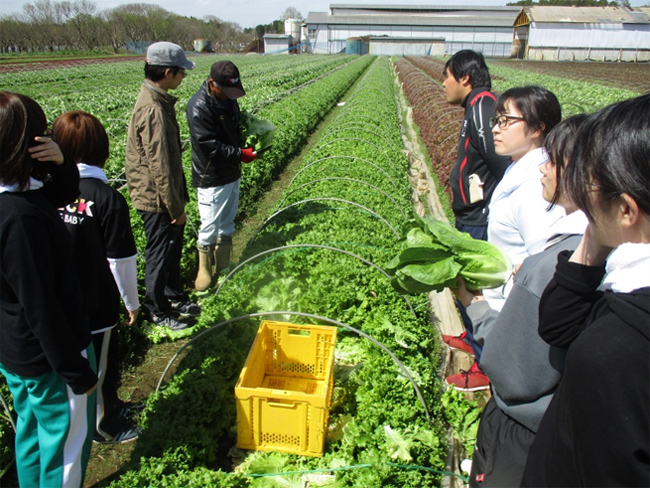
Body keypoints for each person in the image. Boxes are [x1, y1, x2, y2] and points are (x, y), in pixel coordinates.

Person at [451, 115, 588, 487]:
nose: (542, 168)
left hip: (523, 433)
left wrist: (473, 302)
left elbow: (510, 369)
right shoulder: (611, 260)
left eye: (554, 160)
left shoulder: (557, 267)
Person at [522, 94, 650, 487]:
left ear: (626, 210)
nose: (579, 191)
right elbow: (559, 325)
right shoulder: (623, 288)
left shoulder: (615, 350)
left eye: (589, 179)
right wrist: (596, 238)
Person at [0, 91, 98, 487]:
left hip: (18, 352)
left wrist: (63, 167)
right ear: (26, 145)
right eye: (40, 134)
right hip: (51, 358)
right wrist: (77, 372)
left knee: (33, 437)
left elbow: (59, 196)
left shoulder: (19, 195)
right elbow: (40, 305)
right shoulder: (18, 219)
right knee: (63, 451)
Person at [446, 86, 564, 391]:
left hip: (516, 315)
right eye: (496, 120)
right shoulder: (518, 168)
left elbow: (548, 261)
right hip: (502, 309)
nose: (495, 128)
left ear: (538, 128)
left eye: (505, 121)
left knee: (506, 385)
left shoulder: (534, 187)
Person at [53, 110, 141, 444]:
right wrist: (131, 303)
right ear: (102, 149)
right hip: (95, 304)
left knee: (78, 367)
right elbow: (121, 260)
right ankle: (104, 427)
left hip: (57, 303)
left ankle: (112, 406)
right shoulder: (106, 199)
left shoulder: (46, 193)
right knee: (101, 369)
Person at [440, 50, 512, 385]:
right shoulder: (476, 106)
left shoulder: (483, 107)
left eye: (447, 76)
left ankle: (484, 366)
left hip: (479, 220)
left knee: (476, 290)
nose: (443, 84)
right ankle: (471, 341)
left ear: (464, 78)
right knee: (466, 286)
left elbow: (501, 165)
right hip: (471, 215)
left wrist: (490, 209)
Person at [125, 41, 199, 330]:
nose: (183, 78)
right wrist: (175, 206)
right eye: (181, 73)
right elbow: (160, 166)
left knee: (171, 249)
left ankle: (172, 296)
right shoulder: (153, 109)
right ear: (167, 72)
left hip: (162, 195)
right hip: (157, 198)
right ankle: (156, 309)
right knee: (160, 252)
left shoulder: (157, 99)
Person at [186, 60, 257, 291]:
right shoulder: (198, 107)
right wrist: (239, 153)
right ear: (211, 84)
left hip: (231, 171)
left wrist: (247, 140)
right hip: (212, 175)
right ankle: (204, 271)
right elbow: (209, 146)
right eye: (225, 91)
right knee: (209, 224)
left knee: (227, 221)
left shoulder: (228, 99)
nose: (230, 95)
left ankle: (223, 266)